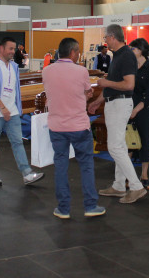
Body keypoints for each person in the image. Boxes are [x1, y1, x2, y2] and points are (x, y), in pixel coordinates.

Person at [43, 37, 105, 219]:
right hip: (78, 126)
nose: (78, 55)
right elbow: (85, 95)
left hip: (57, 127)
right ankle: (90, 206)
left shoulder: (47, 71)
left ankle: (63, 209)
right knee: (86, 165)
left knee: (61, 166)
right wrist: (87, 95)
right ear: (72, 52)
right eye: (77, 52)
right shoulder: (81, 71)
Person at [87, 24, 146, 204]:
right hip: (114, 103)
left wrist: (105, 84)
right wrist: (98, 101)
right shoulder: (119, 56)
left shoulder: (126, 56)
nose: (105, 41)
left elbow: (129, 85)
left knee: (114, 147)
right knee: (119, 145)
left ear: (113, 37)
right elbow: (115, 83)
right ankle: (119, 185)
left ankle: (136, 186)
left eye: (106, 38)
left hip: (120, 104)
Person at [0, 37, 44, 187]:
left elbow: (15, 89)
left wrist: (16, 108)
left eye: (14, 49)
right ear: (2, 49)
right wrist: (2, 108)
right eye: (10, 48)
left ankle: (27, 173)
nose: (13, 52)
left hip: (13, 112)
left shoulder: (14, 67)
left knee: (17, 142)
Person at [128, 38, 149, 190]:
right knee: (128, 143)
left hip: (144, 111)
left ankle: (144, 175)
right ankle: (128, 175)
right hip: (128, 109)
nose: (130, 51)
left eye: (132, 49)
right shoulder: (129, 67)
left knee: (146, 143)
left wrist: (136, 110)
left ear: (140, 50)